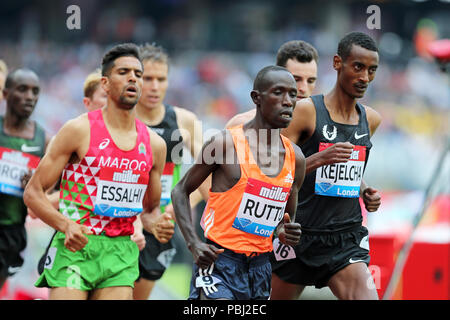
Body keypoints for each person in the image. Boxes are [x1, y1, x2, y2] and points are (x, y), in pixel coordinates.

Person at [23, 43, 171, 300]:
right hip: (75, 248)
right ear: (105, 83)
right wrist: (66, 225)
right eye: (123, 72)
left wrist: (157, 224)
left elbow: (149, 211)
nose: (132, 78)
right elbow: (33, 193)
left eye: (137, 73)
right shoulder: (78, 130)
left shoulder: (155, 145)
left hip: (121, 254)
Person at [171, 65, 306, 300]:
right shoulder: (225, 145)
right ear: (256, 98)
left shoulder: (296, 158)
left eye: (292, 95)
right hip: (219, 263)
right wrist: (194, 243)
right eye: (278, 92)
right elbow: (180, 190)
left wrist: (285, 231)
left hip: (260, 268)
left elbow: (284, 223)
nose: (288, 101)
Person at [271, 31, 382, 300]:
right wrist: (320, 158)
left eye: (372, 70)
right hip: (297, 235)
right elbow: (273, 172)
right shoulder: (306, 111)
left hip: (345, 238)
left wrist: (363, 189)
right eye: (358, 67)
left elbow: (346, 170)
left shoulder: (371, 120)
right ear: (337, 63)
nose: (364, 77)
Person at [133, 43, 209, 300]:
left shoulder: (182, 120)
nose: (154, 86)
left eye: (161, 79)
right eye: (148, 78)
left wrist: (178, 207)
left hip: (161, 224)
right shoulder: (122, 119)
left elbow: (209, 175)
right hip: (121, 221)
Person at [0, 68, 50, 289]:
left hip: (12, 231)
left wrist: (35, 186)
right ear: (6, 93)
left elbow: (51, 192)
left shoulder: (45, 140)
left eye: (35, 91)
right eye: (22, 89)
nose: (30, 96)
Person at [226, 40, 318, 128]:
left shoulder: (323, 128)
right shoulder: (242, 125)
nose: (304, 88)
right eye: (296, 79)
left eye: (310, 81)